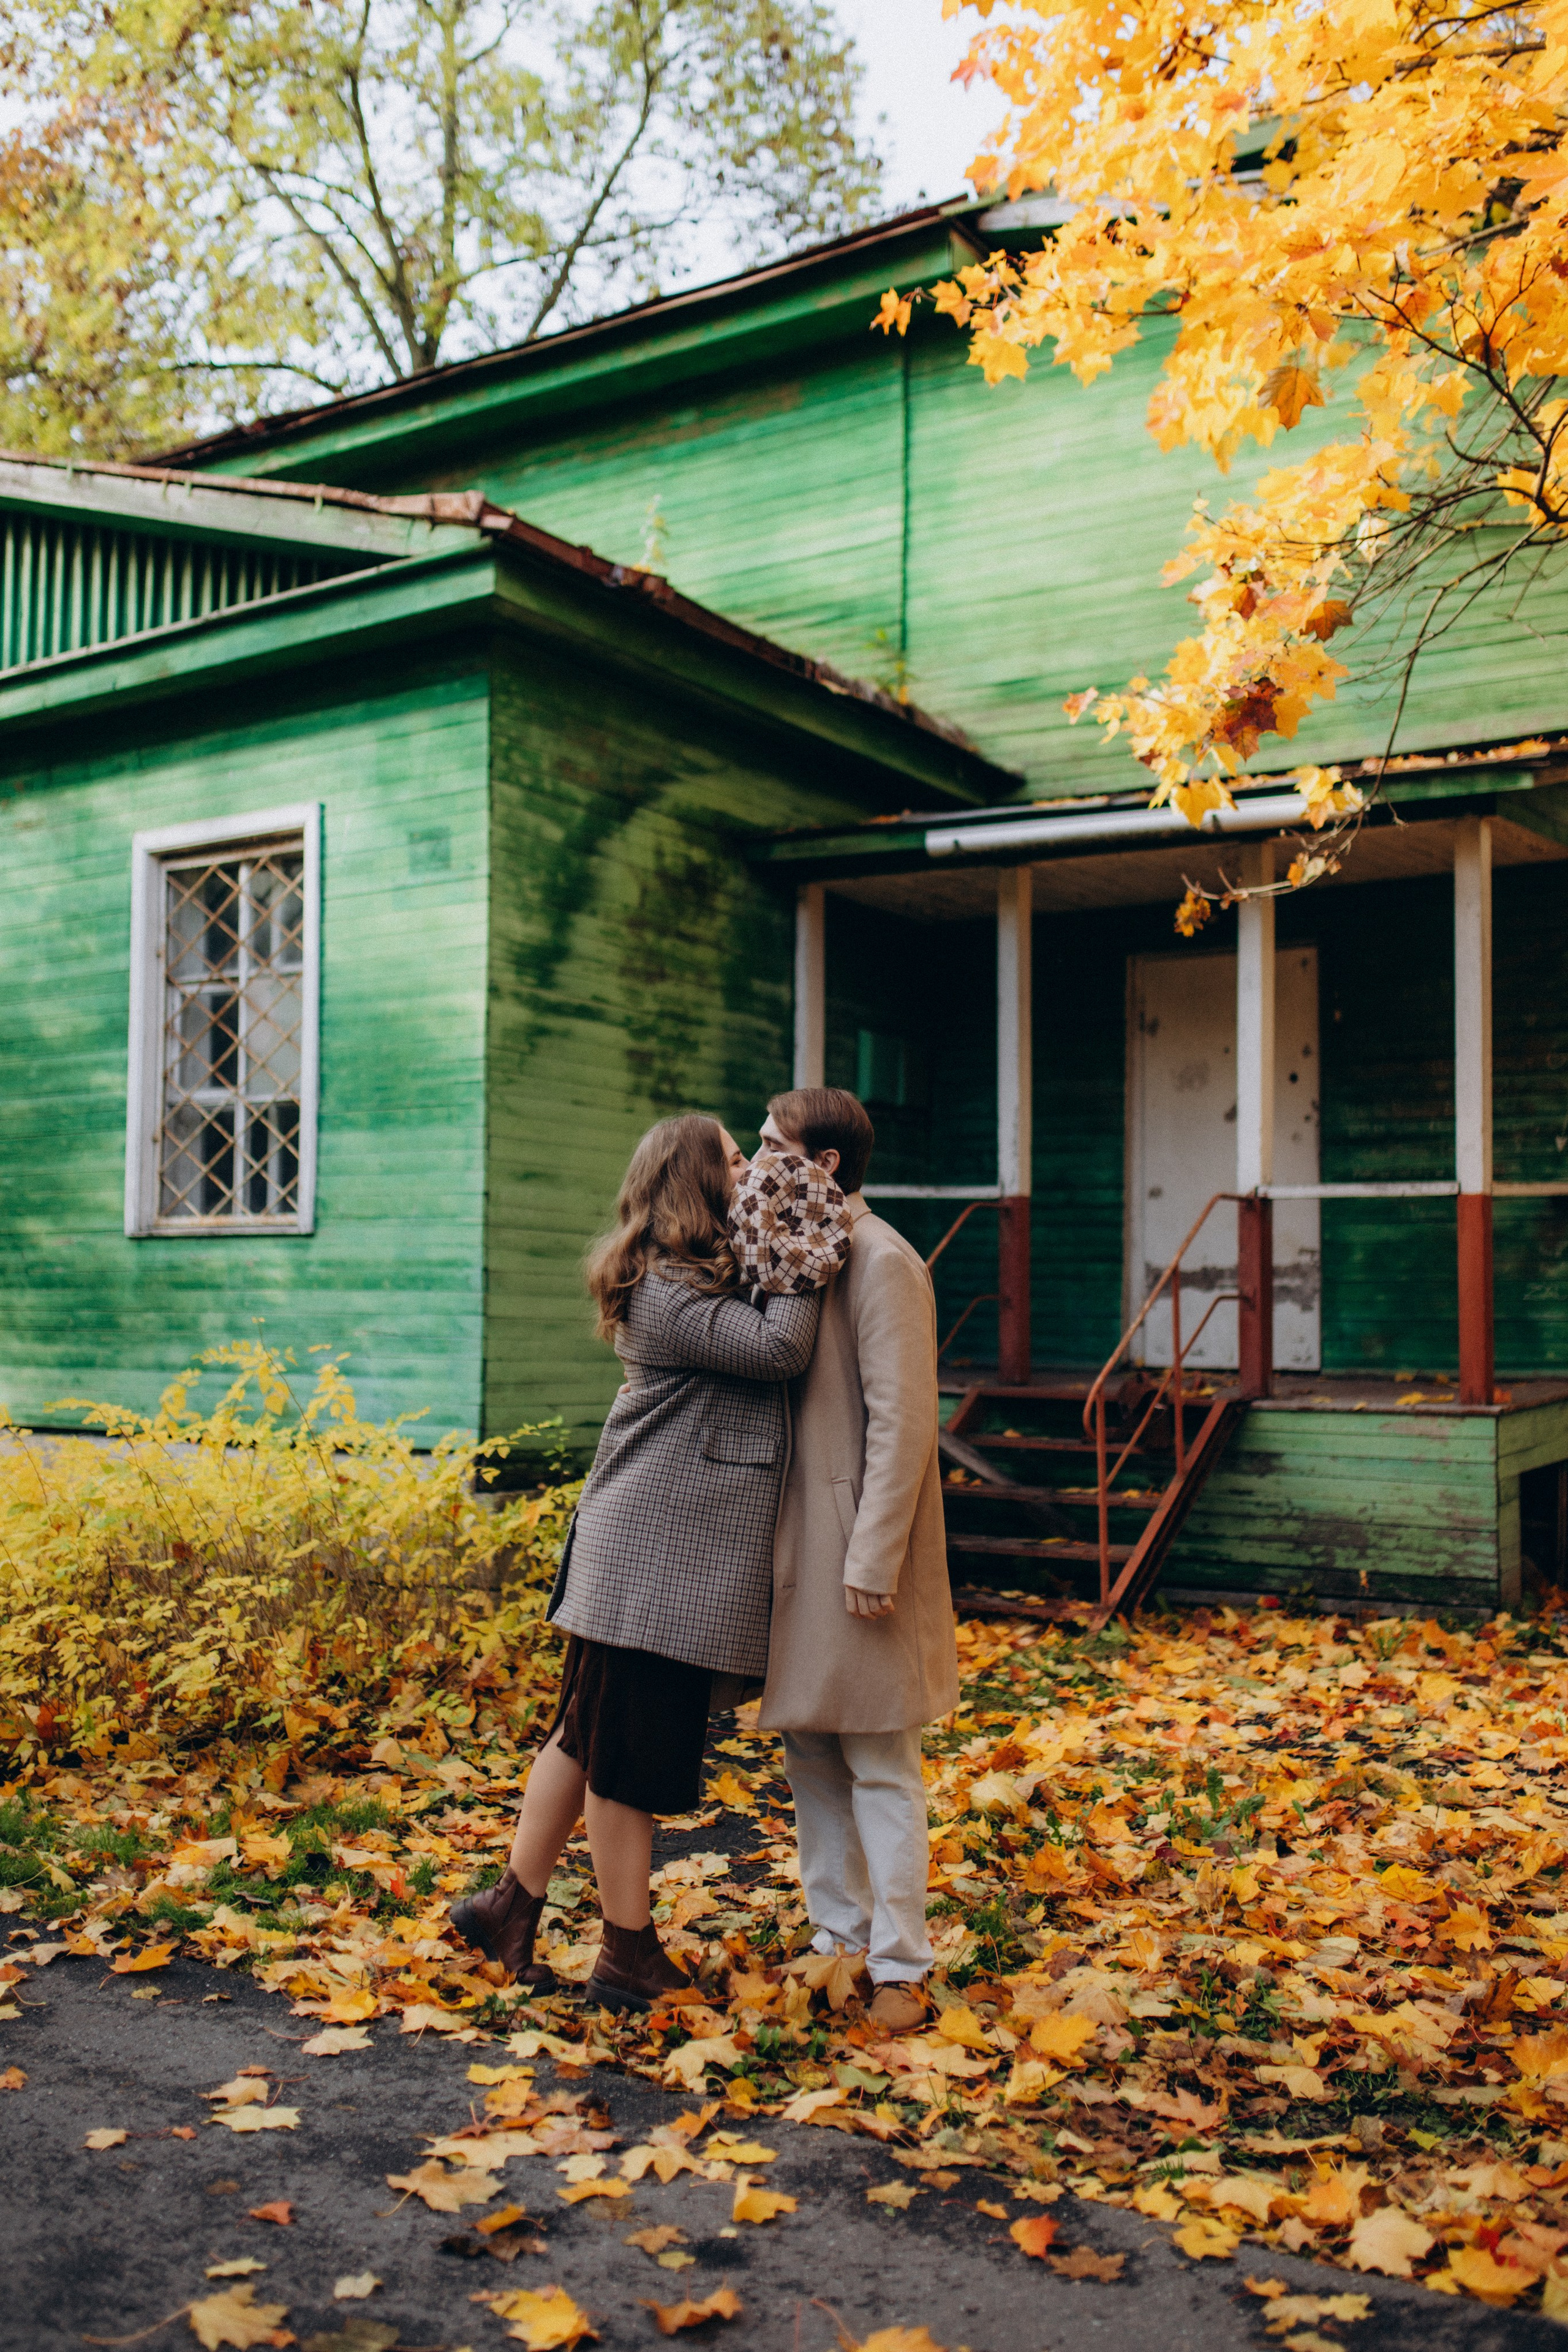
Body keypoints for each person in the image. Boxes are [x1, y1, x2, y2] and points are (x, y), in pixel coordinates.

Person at [450, 1112, 822, 2012]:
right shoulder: (667, 1291)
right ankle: (625, 1951)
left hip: (644, 1555)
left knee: (581, 1735)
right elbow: (781, 1347)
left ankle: (509, 1909)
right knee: (622, 1756)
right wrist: (806, 1245)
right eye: (736, 1160)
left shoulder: (684, 1279)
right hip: (658, 1562)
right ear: (697, 1182)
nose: (752, 1170)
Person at [755, 1086, 959, 2035]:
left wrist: (874, 1556)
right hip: (796, 1554)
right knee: (810, 1754)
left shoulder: (883, 1260)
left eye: (772, 1145)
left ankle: (901, 1966)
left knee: (881, 1759)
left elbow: (906, 1426)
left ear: (825, 1164)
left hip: (860, 1558)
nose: (757, 1161)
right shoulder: (802, 1256)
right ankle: (837, 1941)